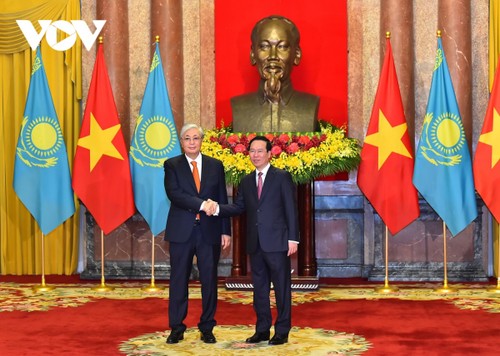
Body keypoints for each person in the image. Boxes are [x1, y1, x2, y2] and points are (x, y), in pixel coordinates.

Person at [207, 136, 299, 345]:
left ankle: (282, 330)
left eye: (260, 151)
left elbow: (291, 210)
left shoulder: (281, 177)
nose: (255, 155)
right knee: (259, 289)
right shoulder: (247, 181)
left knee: (282, 288)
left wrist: (293, 238)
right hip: (255, 243)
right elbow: (239, 207)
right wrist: (217, 208)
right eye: (252, 151)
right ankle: (263, 329)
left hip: (278, 242)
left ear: (269, 153)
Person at [163, 123, 231, 344]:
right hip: (181, 231)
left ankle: (207, 326)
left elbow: (222, 199)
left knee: (209, 281)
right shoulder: (172, 165)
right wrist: (203, 205)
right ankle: (176, 327)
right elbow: (175, 194)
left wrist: (225, 230)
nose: (192, 142)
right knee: (178, 279)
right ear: (181, 142)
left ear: (202, 141)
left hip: (209, 232)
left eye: (196, 138)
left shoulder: (215, 165)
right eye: (187, 138)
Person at [231, 15, 319, 133]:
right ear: (253, 54)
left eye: (282, 47)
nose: (273, 56)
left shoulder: (309, 105)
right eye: (264, 46)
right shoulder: (239, 106)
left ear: (297, 54)